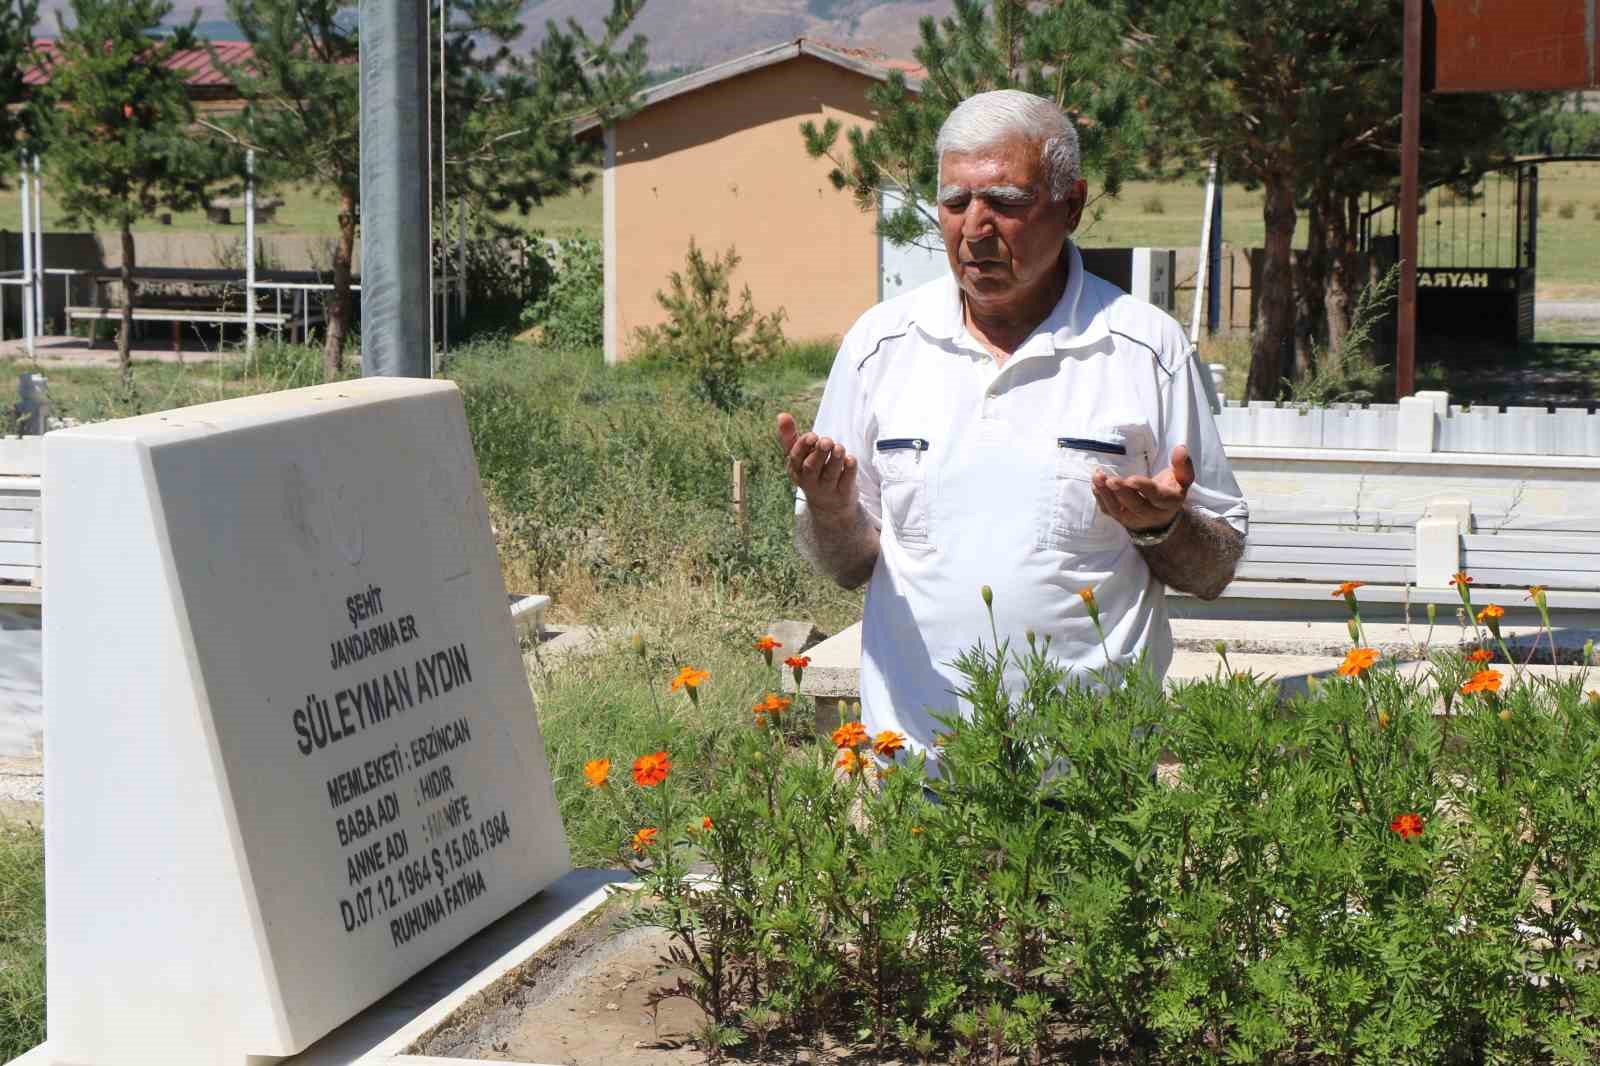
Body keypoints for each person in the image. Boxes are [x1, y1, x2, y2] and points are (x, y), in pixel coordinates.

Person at [776, 89, 1247, 758]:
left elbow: (1214, 569)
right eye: (955, 202)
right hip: (917, 771)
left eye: (1005, 201)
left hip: (1091, 773)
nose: (975, 227)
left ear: (1071, 204)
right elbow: (849, 566)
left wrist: (1162, 527)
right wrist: (830, 509)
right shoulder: (881, 346)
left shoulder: (1145, 348)